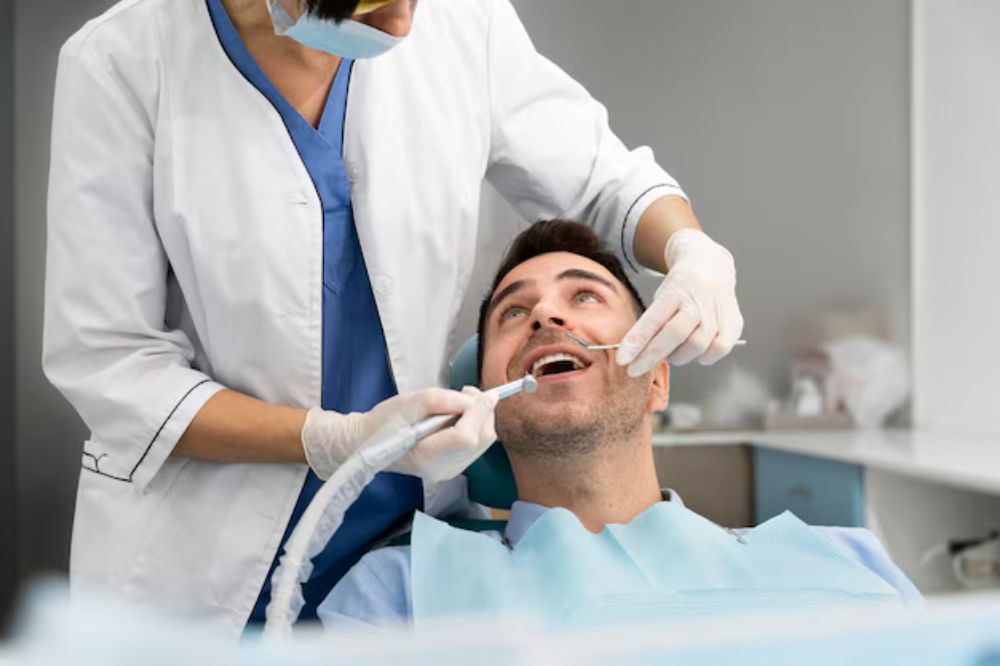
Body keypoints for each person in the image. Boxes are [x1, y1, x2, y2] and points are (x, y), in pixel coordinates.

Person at [42, 0, 744, 635]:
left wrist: (691, 249)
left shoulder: (464, 24)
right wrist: (336, 440)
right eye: (374, 2)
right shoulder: (122, 63)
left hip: (409, 549)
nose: (406, 24)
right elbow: (112, 363)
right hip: (196, 569)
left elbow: (603, 181)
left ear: (659, 385)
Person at [318, 220, 919, 630]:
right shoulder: (399, 593)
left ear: (657, 379)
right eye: (515, 311)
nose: (546, 314)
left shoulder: (848, 560)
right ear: (489, 401)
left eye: (584, 297)